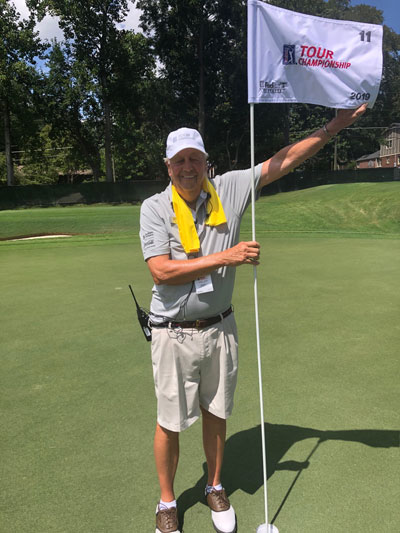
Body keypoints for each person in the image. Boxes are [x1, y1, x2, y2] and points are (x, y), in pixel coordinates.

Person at [139, 105, 367, 533]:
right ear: (168, 168)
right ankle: (167, 503)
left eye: (195, 159)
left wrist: (333, 126)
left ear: (207, 163)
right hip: (173, 332)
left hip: (220, 326)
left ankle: (215, 486)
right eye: (180, 160)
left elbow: (283, 160)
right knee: (170, 422)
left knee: (217, 412)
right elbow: (160, 270)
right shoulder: (154, 208)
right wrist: (229, 256)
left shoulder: (229, 187)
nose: (188, 167)